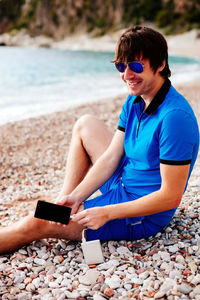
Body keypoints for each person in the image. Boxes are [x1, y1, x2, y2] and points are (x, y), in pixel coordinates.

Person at [0, 26, 199, 254]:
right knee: (86, 124)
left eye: (136, 66)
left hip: (141, 213)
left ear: (161, 64)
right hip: (122, 180)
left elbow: (170, 197)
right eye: (120, 66)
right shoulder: (135, 100)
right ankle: (63, 204)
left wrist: (107, 213)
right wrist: (76, 196)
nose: (126, 75)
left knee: (34, 221)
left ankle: (57, 218)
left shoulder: (174, 118)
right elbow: (111, 157)